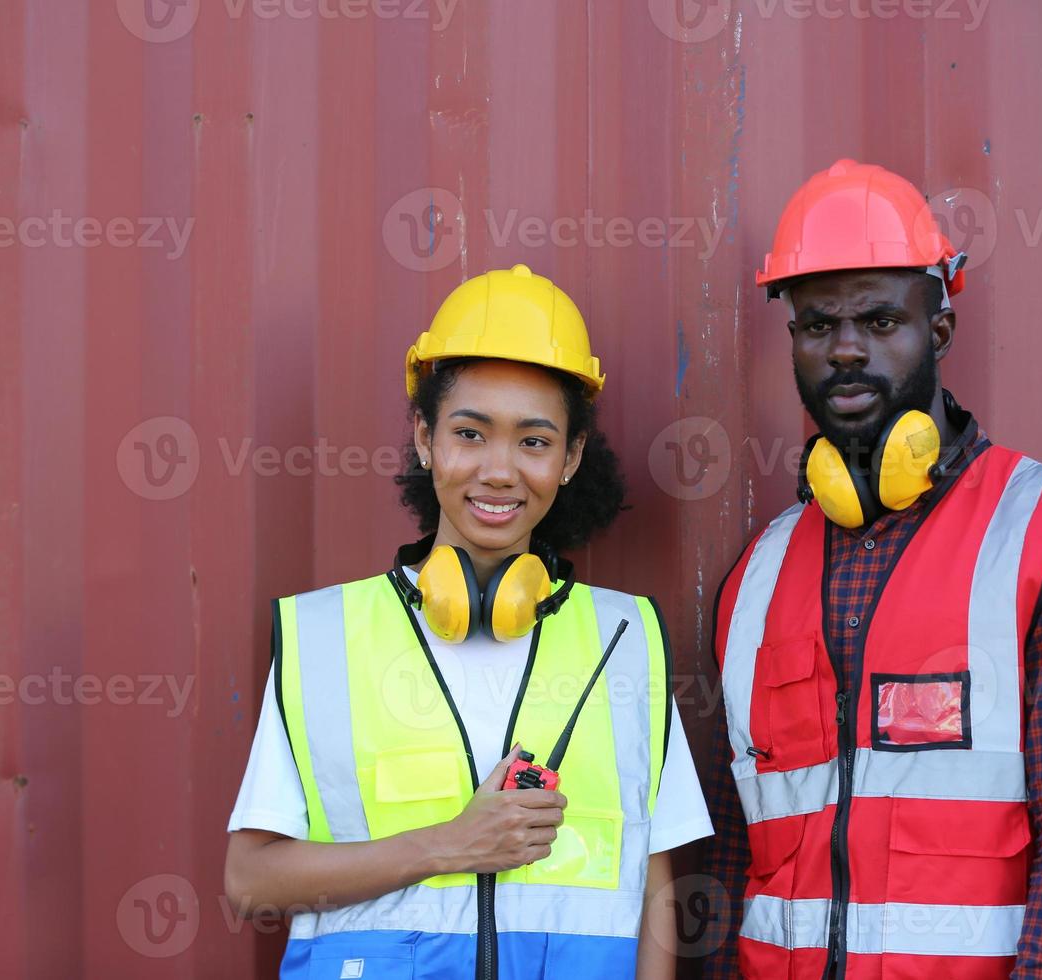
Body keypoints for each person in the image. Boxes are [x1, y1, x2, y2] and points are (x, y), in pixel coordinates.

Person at [701, 160, 1042, 979]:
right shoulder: (755, 580)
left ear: (937, 329)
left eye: (879, 320)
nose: (844, 350)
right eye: (816, 325)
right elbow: (738, 853)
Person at [225, 263, 713, 980]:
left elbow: (655, 894)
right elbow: (249, 881)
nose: (498, 471)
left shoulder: (624, 640)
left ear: (572, 457)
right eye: (470, 433)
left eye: (535, 442)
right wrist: (450, 845)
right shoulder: (326, 635)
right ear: (425, 440)